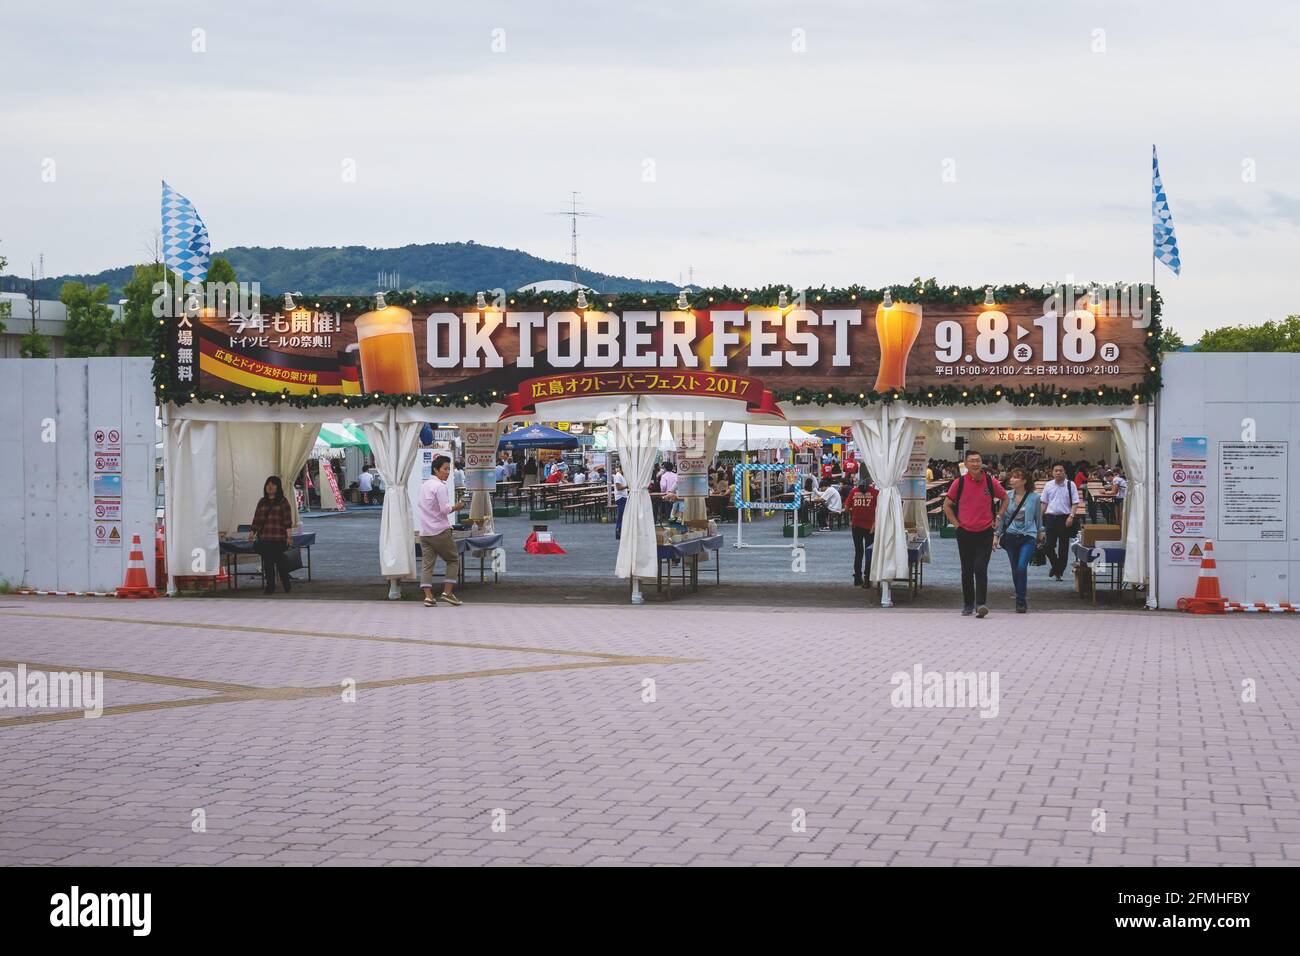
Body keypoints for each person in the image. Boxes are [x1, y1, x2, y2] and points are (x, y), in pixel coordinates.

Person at [942, 450, 1008, 618]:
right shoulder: (959, 483)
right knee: (966, 570)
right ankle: (968, 604)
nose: (975, 463)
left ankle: (981, 604)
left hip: (985, 531)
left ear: (981, 462)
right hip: (965, 532)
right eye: (971, 461)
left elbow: (1005, 498)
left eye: (978, 460)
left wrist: (999, 516)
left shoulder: (990, 482)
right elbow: (947, 505)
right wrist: (957, 525)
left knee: (980, 568)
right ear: (966, 464)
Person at [418, 455, 468, 608]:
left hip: (425, 531)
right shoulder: (440, 487)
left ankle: (428, 596)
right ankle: (447, 592)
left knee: (427, 565)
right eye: (445, 469)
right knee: (453, 560)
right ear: (436, 469)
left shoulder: (424, 485)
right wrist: (457, 506)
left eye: (449, 469)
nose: (448, 472)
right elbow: (444, 509)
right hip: (440, 530)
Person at [995, 466, 1045, 613]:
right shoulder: (1006, 496)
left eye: (1016, 477)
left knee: (1022, 567)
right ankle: (1020, 595)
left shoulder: (1034, 498)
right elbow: (1002, 517)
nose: (1012, 479)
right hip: (1010, 536)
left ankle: (1021, 600)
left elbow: (1038, 517)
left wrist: (1041, 531)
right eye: (1011, 477)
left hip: (1028, 536)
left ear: (1024, 481)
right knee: (1015, 569)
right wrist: (996, 535)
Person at [250, 475, 294, 595]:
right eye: (268, 484)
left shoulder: (283, 502)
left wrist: (289, 537)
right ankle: (270, 587)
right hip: (265, 538)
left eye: (273, 484)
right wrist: (252, 532)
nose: (270, 487)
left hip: (279, 538)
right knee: (268, 564)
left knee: (280, 563)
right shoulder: (262, 502)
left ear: (278, 487)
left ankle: (286, 584)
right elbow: (257, 518)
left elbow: (287, 521)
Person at [1040, 462, 1079, 581]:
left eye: (1060, 470)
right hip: (1051, 518)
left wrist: (1071, 516)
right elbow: (1044, 503)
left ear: (1064, 473)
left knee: (1063, 547)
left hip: (1065, 518)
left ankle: (1059, 571)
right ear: (1052, 473)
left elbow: (1075, 502)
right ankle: (1056, 566)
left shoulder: (1070, 485)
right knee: (1048, 546)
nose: (1058, 472)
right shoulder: (1048, 485)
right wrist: (1038, 518)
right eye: (1055, 470)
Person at [847, 476, 878, 586]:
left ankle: (857, 577)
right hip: (871, 527)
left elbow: (846, 507)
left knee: (858, 552)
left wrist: (853, 514)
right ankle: (867, 579)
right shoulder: (875, 493)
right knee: (869, 553)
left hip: (856, 526)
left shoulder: (853, 492)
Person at [612, 465, 629, 539]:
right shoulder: (618, 476)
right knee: (621, 515)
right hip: (621, 497)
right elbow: (618, 487)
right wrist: (627, 486)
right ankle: (618, 531)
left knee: (622, 515)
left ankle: (621, 531)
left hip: (623, 497)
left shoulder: (621, 476)